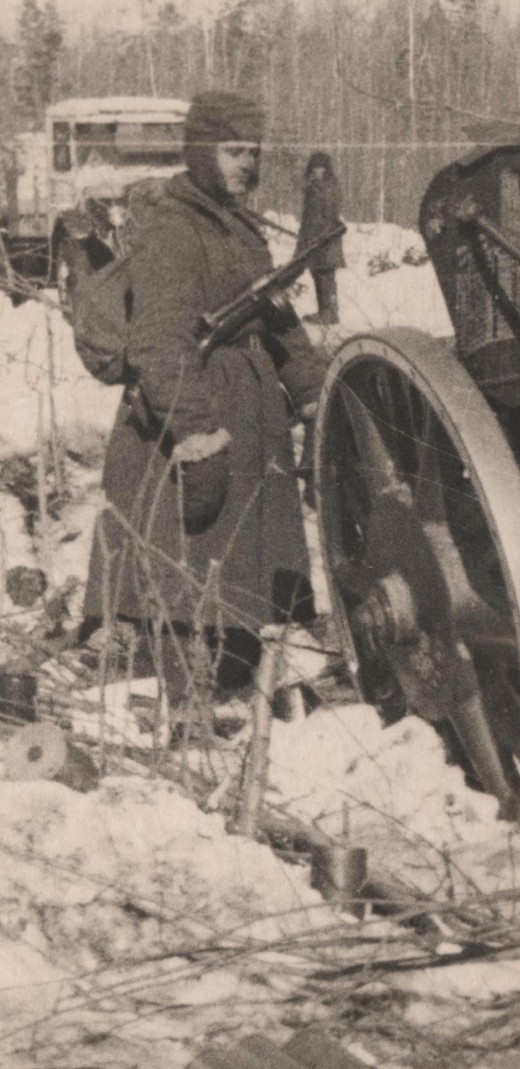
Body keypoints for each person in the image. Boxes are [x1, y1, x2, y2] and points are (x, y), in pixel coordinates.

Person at [82, 91, 326, 707]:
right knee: (187, 569)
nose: (247, 164)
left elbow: (277, 318)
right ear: (200, 151)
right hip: (191, 421)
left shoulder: (237, 226)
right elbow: (159, 345)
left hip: (244, 416)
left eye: (253, 151)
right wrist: (196, 433)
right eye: (233, 150)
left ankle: (231, 692)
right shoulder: (173, 227)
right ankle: (186, 709)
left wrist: (313, 389)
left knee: (238, 570)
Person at [296, 151, 345, 325]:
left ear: (326, 169)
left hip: (326, 239)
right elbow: (307, 218)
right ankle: (324, 311)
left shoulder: (329, 187)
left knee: (326, 275)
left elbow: (331, 215)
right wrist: (303, 243)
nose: (317, 171)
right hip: (313, 239)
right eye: (315, 168)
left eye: (321, 168)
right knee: (317, 273)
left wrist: (322, 237)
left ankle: (330, 313)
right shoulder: (312, 187)